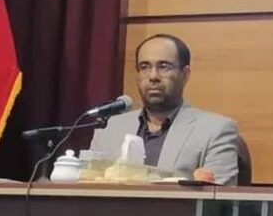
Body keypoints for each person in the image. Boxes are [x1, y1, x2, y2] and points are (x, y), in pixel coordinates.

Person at [90, 34, 240, 184]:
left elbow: (218, 195)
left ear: (185, 75)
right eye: (144, 67)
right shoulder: (109, 128)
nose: (153, 76)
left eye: (163, 67)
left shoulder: (215, 130)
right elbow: (88, 186)